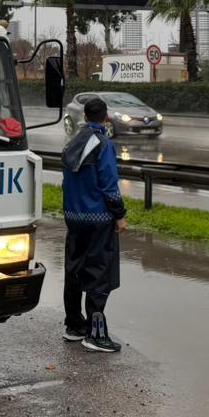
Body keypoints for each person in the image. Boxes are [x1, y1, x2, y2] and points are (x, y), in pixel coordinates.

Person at [60, 96, 128, 354]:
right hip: (98, 219)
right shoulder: (103, 144)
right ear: (105, 117)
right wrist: (119, 215)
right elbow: (109, 185)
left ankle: (74, 326)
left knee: (74, 269)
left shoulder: (71, 144)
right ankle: (96, 334)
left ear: (85, 117)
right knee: (100, 272)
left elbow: (67, 183)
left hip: (74, 217)